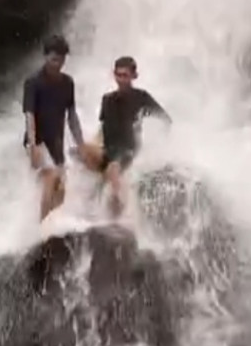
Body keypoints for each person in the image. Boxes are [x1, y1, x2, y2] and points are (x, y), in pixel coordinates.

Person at [78, 55, 170, 218]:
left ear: (134, 76)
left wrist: (159, 141)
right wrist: (92, 147)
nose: (121, 79)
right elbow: (102, 128)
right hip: (108, 149)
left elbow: (165, 119)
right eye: (118, 75)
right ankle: (84, 204)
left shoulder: (141, 97)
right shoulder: (107, 99)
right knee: (80, 151)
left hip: (128, 149)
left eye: (125, 75)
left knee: (113, 169)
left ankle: (121, 216)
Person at [22, 34, 85, 221]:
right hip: (38, 140)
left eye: (62, 59)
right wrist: (33, 147)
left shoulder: (68, 82)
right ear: (45, 57)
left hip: (56, 141)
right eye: (54, 59)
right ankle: (41, 228)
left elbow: (72, 116)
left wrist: (81, 144)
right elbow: (29, 115)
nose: (57, 64)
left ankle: (51, 226)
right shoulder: (33, 82)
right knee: (50, 179)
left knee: (61, 188)